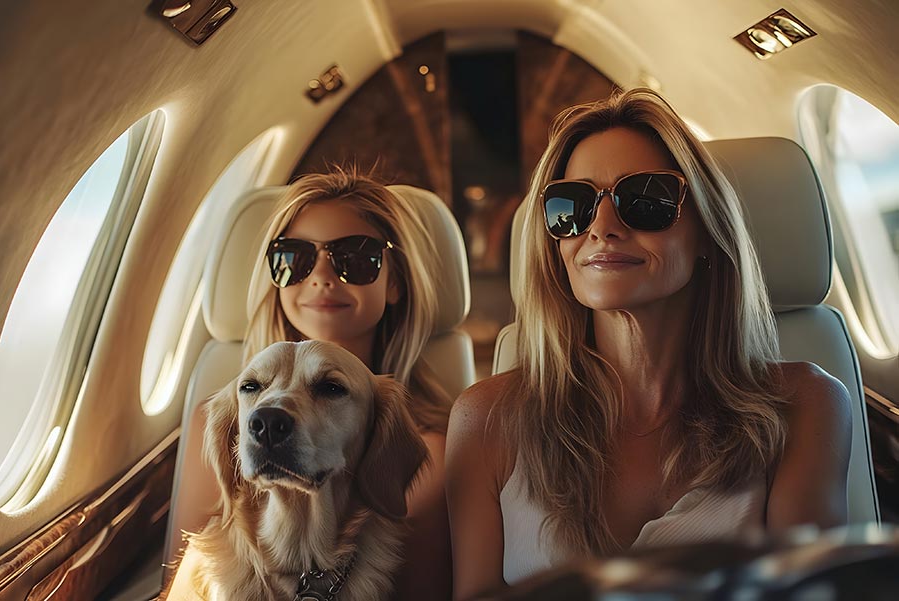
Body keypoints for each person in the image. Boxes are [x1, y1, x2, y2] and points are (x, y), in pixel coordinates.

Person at [445, 88, 851, 600]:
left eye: (646, 200)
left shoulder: (803, 406)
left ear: (705, 229)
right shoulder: (486, 419)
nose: (603, 228)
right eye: (573, 206)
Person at [170, 169, 453, 600]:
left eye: (356, 258)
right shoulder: (217, 418)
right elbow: (187, 575)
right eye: (295, 258)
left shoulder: (435, 448)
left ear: (394, 281)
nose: (321, 276)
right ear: (275, 276)